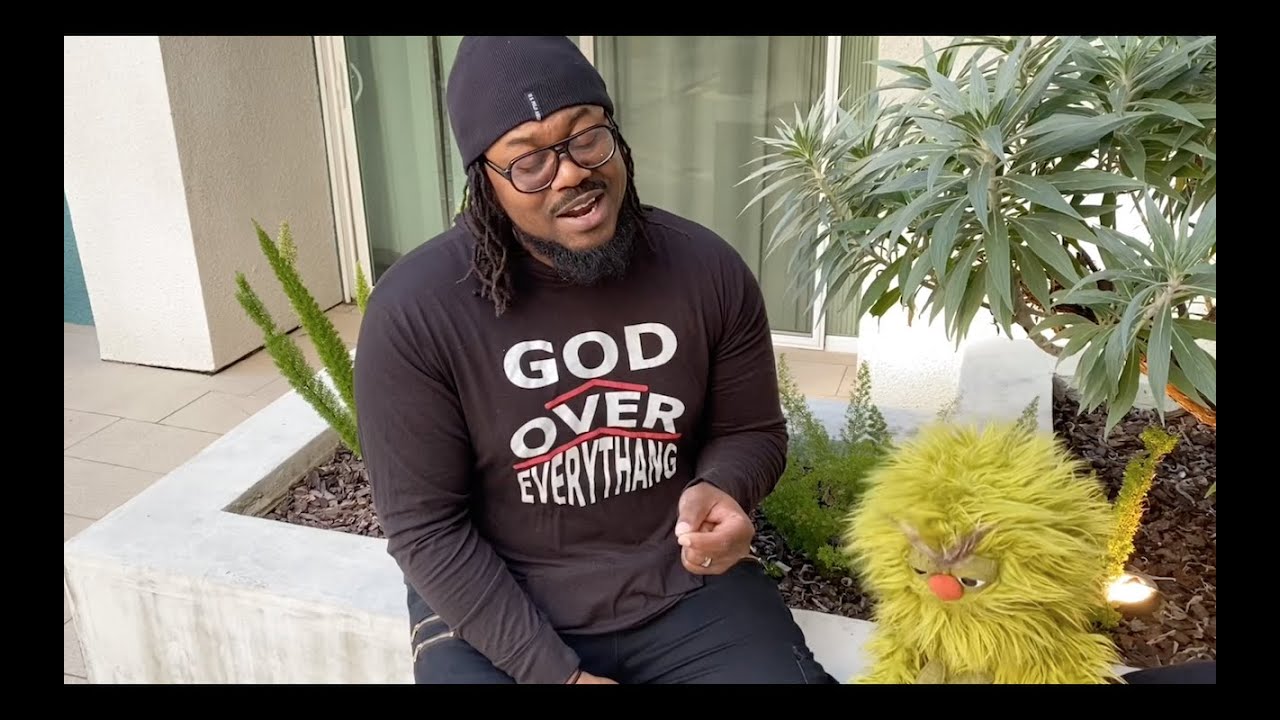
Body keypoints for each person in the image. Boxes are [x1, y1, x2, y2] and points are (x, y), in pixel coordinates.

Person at [353, 35, 836, 685]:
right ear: (485, 181)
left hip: (683, 586)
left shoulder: (705, 271)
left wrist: (724, 486)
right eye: (529, 162)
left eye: (586, 137)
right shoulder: (417, 310)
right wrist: (557, 676)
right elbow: (427, 528)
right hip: (499, 609)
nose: (571, 173)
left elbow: (751, 431)